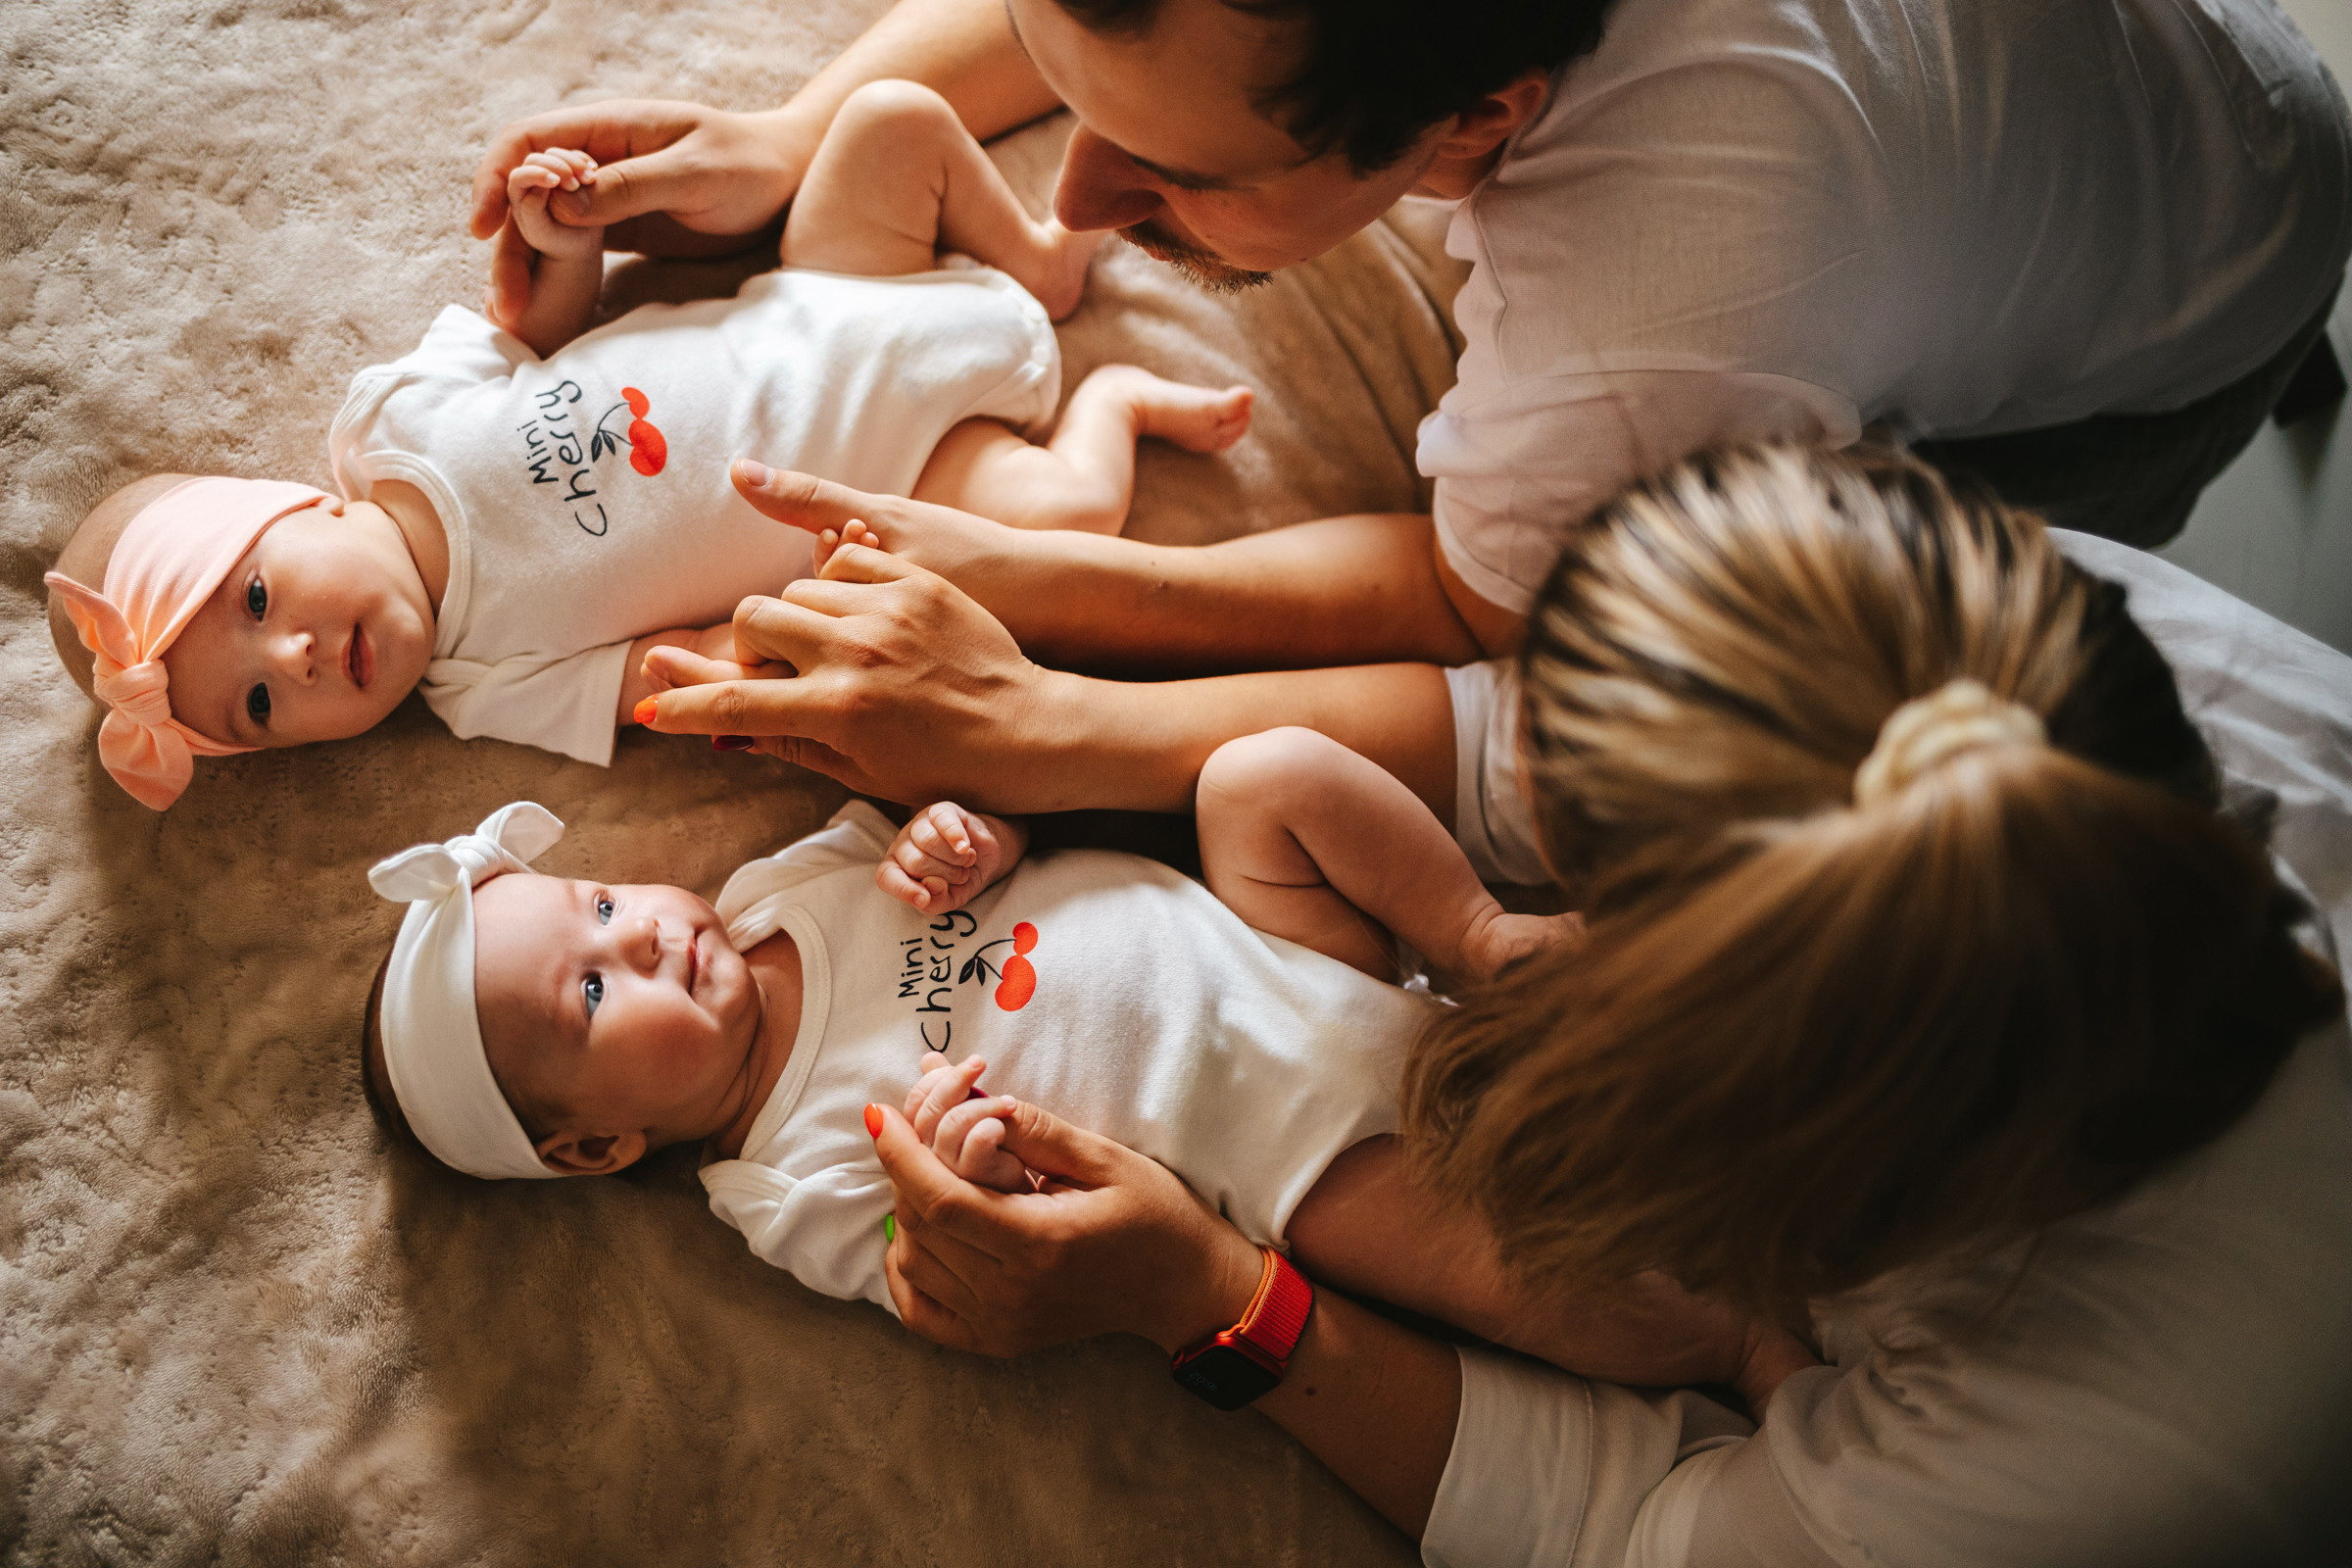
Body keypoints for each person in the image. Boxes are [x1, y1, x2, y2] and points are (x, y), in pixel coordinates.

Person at [841, 445, 2352, 1563]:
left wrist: (1215, 1301)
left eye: (1584, 891)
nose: (1522, 907)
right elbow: (1507, 748)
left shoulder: (2081, 1468)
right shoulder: (2004, 656)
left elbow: (1627, 1526)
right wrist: (1062, 722)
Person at [474, 0, 2349, 686]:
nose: (1088, 198)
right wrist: (811, 137)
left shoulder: (1660, 306)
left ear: (1476, 126)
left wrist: (1036, 577)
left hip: (2188, 302)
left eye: (1189, 184)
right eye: (1067, 101)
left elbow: (1483, 596)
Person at [356, 762, 1791, 1404]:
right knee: (1502, 1271)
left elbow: (969, 816)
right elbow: (946, 1272)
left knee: (1259, 778)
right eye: (593, 991)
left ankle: (1484, 934)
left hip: (1275, 941)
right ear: (601, 1146)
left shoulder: (776, 886)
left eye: (600, 899)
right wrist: (964, 1189)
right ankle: (1725, 1343)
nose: (640, 931)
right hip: (1278, 1149)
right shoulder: (776, 1179)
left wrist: (965, 836)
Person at [44, 79, 1248, 808]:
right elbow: (669, 674)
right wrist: (786, 640)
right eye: (257, 703)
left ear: (294, 506)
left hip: (830, 285)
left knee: (892, 120)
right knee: (1067, 525)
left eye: (258, 595)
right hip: (900, 483)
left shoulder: (392, 421)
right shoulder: (483, 687)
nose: (299, 655)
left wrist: (558, 230)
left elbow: (545, 332)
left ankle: (1041, 259)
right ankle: (1118, 407)